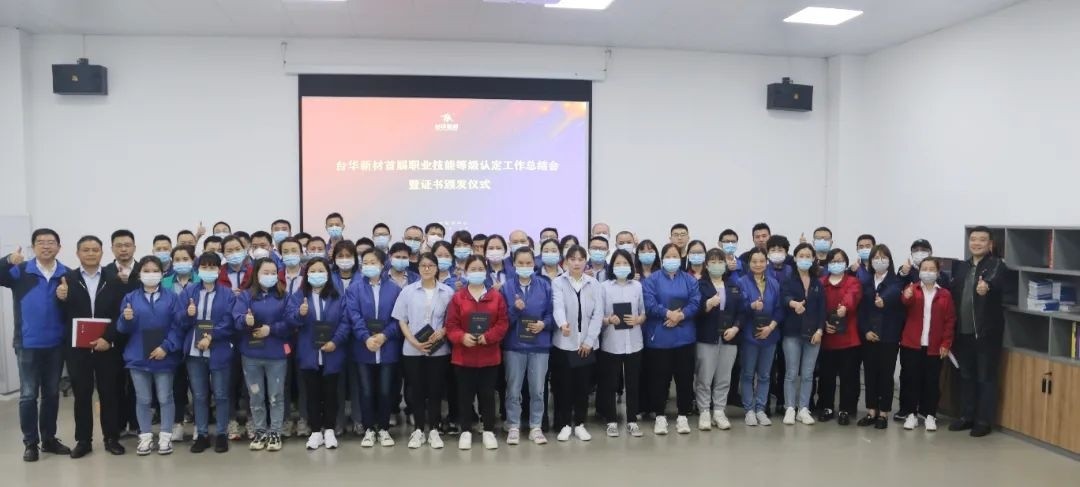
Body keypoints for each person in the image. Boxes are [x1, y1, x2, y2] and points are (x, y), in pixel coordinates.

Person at [2, 228, 73, 461]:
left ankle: (49, 439)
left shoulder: (67, 274)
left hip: (56, 344)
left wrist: (66, 297)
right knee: (28, 395)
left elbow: (74, 308)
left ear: (59, 247)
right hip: (27, 343)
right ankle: (30, 443)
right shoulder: (21, 270)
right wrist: (7, 260)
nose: (46, 246)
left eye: (51, 242)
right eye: (40, 242)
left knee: (51, 394)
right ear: (33, 247)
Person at [54, 235, 126, 457]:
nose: (91, 253)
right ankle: (83, 440)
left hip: (107, 347)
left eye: (95, 249)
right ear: (78, 253)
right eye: (86, 250)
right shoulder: (67, 279)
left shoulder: (114, 279)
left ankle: (111, 438)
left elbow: (120, 313)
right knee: (82, 395)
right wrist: (60, 298)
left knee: (109, 393)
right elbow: (61, 315)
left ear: (102, 253)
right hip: (78, 348)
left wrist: (108, 338)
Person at [117, 255, 183, 456]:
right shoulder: (130, 298)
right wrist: (126, 318)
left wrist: (166, 347)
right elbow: (122, 328)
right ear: (139, 274)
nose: (151, 274)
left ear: (162, 274)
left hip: (164, 356)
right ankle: (145, 436)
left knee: (165, 397)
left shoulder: (172, 297)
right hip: (138, 356)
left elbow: (178, 326)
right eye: (146, 270)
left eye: (155, 270)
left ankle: (165, 436)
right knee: (143, 399)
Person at [445, 255, 510, 450]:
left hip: (489, 355)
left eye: (480, 268)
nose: (477, 272)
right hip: (463, 356)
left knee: (487, 395)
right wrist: (461, 337)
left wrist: (488, 337)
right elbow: (451, 325)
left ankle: (488, 430)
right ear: (466, 272)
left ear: (486, 271)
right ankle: (465, 430)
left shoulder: (496, 297)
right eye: (472, 269)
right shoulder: (458, 297)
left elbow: (503, 323)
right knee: (464, 395)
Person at [948, 226, 1008, 438]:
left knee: (985, 378)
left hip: (986, 334)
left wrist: (986, 286)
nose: (976, 243)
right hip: (963, 332)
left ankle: (983, 421)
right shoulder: (962, 267)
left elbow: (994, 280)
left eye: (982, 240)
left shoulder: (997, 265)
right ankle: (967, 416)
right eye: (973, 239)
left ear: (990, 244)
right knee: (966, 376)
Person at [392, 252, 455, 450]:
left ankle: (434, 429)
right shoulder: (408, 291)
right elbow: (401, 320)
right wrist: (413, 341)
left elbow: (453, 320)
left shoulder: (447, 292)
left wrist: (443, 331)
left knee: (435, 390)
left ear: (437, 268)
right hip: (412, 350)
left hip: (439, 350)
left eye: (430, 265)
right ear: (418, 268)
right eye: (423, 265)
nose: (426, 269)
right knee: (416, 390)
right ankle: (418, 430)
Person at [286, 258, 350, 450]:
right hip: (309, 353)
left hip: (332, 352)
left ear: (328, 274)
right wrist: (300, 313)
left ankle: (329, 429)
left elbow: (345, 322)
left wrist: (335, 341)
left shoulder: (337, 296)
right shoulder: (299, 296)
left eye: (320, 271)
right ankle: (315, 431)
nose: (316, 274)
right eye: (312, 271)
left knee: (331, 393)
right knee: (311, 393)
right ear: (306, 275)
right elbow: (290, 320)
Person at [233, 257, 295, 452]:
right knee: (256, 395)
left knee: (276, 395)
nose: (269, 276)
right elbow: (236, 318)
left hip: (276, 354)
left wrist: (272, 329)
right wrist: (245, 321)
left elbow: (291, 322)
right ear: (256, 274)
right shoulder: (246, 296)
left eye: (273, 273)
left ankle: (275, 431)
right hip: (251, 354)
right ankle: (260, 430)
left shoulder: (284, 296)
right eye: (265, 272)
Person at [177, 252, 235, 453]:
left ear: (219, 270)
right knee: (199, 395)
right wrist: (187, 314)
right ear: (198, 269)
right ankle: (201, 434)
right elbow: (178, 319)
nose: (208, 270)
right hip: (194, 352)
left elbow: (229, 322)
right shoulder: (189, 291)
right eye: (204, 267)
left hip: (219, 349)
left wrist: (211, 336)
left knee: (221, 394)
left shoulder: (227, 293)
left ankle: (221, 434)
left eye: (212, 267)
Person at [347, 248, 405, 448]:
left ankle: (384, 429)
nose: (369, 266)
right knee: (366, 391)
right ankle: (369, 429)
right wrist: (366, 337)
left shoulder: (395, 289)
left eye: (373, 262)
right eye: (365, 262)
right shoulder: (354, 288)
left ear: (382, 265)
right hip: (363, 347)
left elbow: (399, 318)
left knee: (386, 391)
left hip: (388, 347)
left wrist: (384, 335)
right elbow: (353, 316)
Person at [643, 243, 701, 434]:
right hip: (659, 337)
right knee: (659, 379)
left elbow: (695, 302)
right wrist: (668, 313)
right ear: (662, 259)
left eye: (675, 256)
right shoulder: (652, 280)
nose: (672, 260)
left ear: (681, 259)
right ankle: (660, 416)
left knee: (684, 378)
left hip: (684, 337)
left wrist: (681, 316)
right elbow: (649, 303)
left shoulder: (689, 280)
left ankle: (683, 415)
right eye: (668, 256)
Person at [501, 247, 555, 445]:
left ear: (534, 264)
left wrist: (544, 324)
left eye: (528, 263)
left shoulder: (545, 285)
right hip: (514, 346)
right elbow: (501, 320)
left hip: (539, 346)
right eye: (520, 263)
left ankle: (535, 426)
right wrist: (514, 309)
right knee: (513, 389)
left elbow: (552, 314)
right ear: (514, 264)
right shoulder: (506, 287)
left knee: (538, 390)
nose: (525, 266)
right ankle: (513, 425)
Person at [550, 245, 604, 442]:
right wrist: (562, 324)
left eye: (580, 259)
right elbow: (557, 306)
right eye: (572, 259)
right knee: (564, 386)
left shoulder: (594, 284)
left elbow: (598, 314)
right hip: (564, 343)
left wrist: (589, 341)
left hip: (586, 344)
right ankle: (565, 424)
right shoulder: (558, 282)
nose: (576, 263)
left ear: (585, 262)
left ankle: (580, 423)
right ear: (566, 262)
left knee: (583, 386)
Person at [899, 257, 956, 432]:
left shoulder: (945, 294)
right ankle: (911, 414)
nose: (928, 272)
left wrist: (946, 343)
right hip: (912, 344)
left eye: (932, 269)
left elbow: (950, 320)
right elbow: (905, 303)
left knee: (932, 382)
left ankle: (930, 414)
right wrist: (906, 296)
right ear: (919, 271)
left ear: (938, 273)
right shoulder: (912, 289)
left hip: (934, 346)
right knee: (911, 380)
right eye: (925, 268)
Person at [598, 250, 647, 437]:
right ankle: (611, 421)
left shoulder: (637, 286)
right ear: (612, 266)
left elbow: (643, 313)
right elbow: (598, 315)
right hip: (611, 342)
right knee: (610, 384)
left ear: (631, 266)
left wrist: (638, 319)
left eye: (625, 263)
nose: (621, 267)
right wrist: (608, 320)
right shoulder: (604, 287)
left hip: (634, 342)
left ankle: (632, 420)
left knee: (633, 384)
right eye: (617, 263)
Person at [693, 248, 743, 431]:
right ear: (706, 265)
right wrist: (707, 304)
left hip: (729, 339)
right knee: (704, 377)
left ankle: (719, 411)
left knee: (724, 377)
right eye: (712, 262)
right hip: (707, 338)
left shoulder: (733, 285)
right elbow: (694, 310)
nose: (717, 265)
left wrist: (736, 327)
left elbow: (742, 311)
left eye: (720, 261)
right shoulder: (700, 285)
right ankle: (704, 411)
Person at [857, 244, 905, 430]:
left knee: (886, 374)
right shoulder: (866, 282)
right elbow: (861, 311)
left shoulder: (896, 282)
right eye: (876, 257)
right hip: (869, 335)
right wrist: (865, 330)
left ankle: (884, 412)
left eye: (883, 257)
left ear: (889, 261)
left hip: (889, 336)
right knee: (870, 374)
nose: (879, 261)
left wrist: (884, 301)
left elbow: (895, 300)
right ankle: (871, 411)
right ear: (870, 261)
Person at [735, 248, 783, 426]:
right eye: (754, 261)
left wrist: (771, 327)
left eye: (762, 261)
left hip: (769, 334)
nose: (758, 264)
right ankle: (749, 410)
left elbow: (779, 309)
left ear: (767, 262)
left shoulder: (774, 283)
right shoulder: (741, 282)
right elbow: (738, 308)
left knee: (764, 375)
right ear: (749, 263)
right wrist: (751, 306)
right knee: (748, 374)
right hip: (749, 335)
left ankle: (761, 409)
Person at [780, 243, 825, 426]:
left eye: (808, 256)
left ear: (813, 259)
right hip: (792, 333)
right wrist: (793, 304)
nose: (804, 259)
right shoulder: (788, 280)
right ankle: (790, 408)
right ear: (795, 258)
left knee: (807, 374)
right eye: (801, 256)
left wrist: (820, 330)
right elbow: (784, 298)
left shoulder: (817, 282)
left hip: (813, 334)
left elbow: (822, 309)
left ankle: (803, 409)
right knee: (791, 373)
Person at [818, 248, 863, 425]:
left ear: (846, 263)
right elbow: (816, 306)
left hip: (848, 337)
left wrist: (844, 307)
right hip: (827, 337)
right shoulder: (821, 282)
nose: (836, 264)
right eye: (833, 261)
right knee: (826, 376)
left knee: (848, 377)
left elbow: (852, 296)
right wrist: (823, 323)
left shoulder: (853, 281)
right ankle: (827, 407)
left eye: (840, 261)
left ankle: (845, 409)